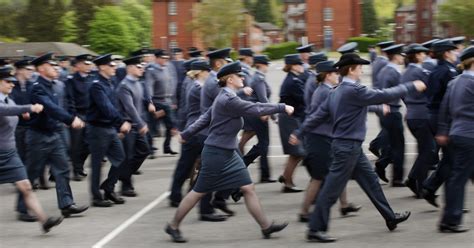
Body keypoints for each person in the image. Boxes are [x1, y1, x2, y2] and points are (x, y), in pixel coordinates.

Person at [290, 53, 425, 242]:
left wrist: (299, 132)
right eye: (360, 67)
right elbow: (383, 95)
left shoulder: (337, 91)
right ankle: (315, 229)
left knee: (371, 182)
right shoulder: (352, 90)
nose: (362, 70)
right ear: (352, 69)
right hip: (346, 148)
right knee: (330, 190)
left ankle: (390, 217)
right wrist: (411, 86)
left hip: (351, 147)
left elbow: (318, 115)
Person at [164, 61, 292, 243]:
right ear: (230, 79)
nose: (243, 78)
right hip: (216, 153)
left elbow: (205, 118)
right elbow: (254, 108)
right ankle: (173, 225)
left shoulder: (225, 95)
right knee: (198, 192)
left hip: (229, 151)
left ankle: (266, 227)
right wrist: (281, 107)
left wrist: (186, 133)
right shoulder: (228, 99)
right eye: (239, 76)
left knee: (248, 188)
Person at [16, 53, 88, 219]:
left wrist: (68, 118)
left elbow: (60, 106)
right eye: (51, 64)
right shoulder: (37, 87)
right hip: (38, 136)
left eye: (56, 64)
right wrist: (70, 120)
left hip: (53, 133)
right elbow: (49, 107)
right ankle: (22, 209)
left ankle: (66, 204)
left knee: (62, 169)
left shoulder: (55, 85)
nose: (55, 67)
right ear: (41, 68)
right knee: (32, 171)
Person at [293, 61, 361, 223]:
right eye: (335, 74)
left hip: (326, 137)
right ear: (328, 75)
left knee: (339, 171)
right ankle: (304, 212)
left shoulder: (326, 90)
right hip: (319, 139)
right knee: (318, 177)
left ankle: (344, 205)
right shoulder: (324, 92)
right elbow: (325, 114)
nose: (338, 76)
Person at [0, 66, 63, 233]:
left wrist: (22, 114)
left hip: (9, 153)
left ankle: (44, 221)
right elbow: (4, 110)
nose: (12, 85)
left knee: (26, 186)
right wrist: (28, 108)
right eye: (8, 82)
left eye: (13, 82)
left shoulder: (9, 99)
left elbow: (11, 110)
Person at [436, 46, 474, 233]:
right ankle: (450, 220)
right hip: (469, 136)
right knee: (458, 179)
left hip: (456, 133)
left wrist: (443, 131)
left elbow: (444, 110)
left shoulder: (455, 81)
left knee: (457, 176)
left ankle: (449, 218)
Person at [86, 54, 131, 207]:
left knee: (120, 158)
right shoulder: (96, 85)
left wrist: (119, 123)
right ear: (102, 67)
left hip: (109, 128)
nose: (115, 68)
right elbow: (106, 108)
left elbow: (115, 106)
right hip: (97, 129)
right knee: (97, 164)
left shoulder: (110, 82)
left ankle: (109, 188)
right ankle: (96, 197)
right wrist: (120, 122)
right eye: (111, 66)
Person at [422, 39, 460, 208]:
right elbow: (452, 97)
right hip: (443, 117)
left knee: (450, 157)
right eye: (452, 51)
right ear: (446, 53)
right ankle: (432, 188)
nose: (455, 53)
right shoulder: (448, 71)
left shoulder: (435, 70)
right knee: (452, 158)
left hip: (433, 115)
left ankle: (430, 188)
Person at [402, 44, 437, 198]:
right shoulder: (420, 71)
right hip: (422, 115)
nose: (425, 55)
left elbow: (402, 93)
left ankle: (419, 185)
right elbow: (432, 90)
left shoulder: (405, 72)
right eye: (422, 53)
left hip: (411, 114)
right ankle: (413, 179)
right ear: (416, 55)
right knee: (429, 150)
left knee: (424, 150)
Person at [116, 56, 154, 197]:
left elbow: (143, 100)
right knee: (128, 156)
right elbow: (129, 108)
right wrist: (141, 124)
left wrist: (149, 103)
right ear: (130, 68)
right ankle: (126, 186)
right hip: (128, 125)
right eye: (139, 67)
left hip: (137, 124)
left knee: (144, 151)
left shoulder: (138, 83)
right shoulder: (124, 86)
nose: (142, 69)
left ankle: (122, 175)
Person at [374, 44, 407, 186]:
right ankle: (397, 178)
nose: (402, 58)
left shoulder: (384, 70)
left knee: (391, 143)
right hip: (392, 111)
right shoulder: (394, 72)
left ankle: (381, 164)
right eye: (401, 55)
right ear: (396, 56)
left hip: (383, 111)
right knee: (399, 145)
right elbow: (402, 91)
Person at [241, 55, 276, 182]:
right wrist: (273, 115)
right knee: (263, 144)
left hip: (257, 113)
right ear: (261, 65)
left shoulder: (257, 77)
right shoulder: (259, 78)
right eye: (266, 64)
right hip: (260, 115)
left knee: (263, 144)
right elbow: (263, 98)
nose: (268, 66)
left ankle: (264, 174)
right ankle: (244, 166)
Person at [277, 54, 306, 193]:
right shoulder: (293, 81)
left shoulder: (293, 79)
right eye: (300, 64)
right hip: (290, 118)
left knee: (297, 152)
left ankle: (286, 177)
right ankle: (287, 182)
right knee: (297, 151)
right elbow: (304, 99)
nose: (302, 66)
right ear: (293, 66)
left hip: (290, 117)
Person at [65, 54, 95, 181]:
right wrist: (73, 117)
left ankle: (80, 165)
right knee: (76, 145)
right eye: (86, 64)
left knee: (89, 144)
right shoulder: (71, 80)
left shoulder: (93, 79)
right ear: (78, 66)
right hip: (78, 114)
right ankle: (76, 170)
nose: (89, 66)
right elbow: (70, 100)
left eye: (90, 64)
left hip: (91, 115)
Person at [145, 49, 178, 155]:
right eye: (163, 58)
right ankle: (150, 149)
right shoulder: (151, 70)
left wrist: (173, 100)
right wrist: (150, 102)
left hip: (167, 101)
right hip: (156, 102)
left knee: (170, 125)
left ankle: (167, 147)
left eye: (166, 58)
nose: (165, 60)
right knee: (153, 127)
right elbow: (148, 87)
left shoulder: (167, 68)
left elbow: (172, 84)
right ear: (157, 58)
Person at [368, 40, 395, 161]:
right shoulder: (384, 63)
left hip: (377, 96)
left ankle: (384, 151)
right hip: (382, 97)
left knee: (387, 127)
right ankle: (377, 147)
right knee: (390, 128)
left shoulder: (378, 61)